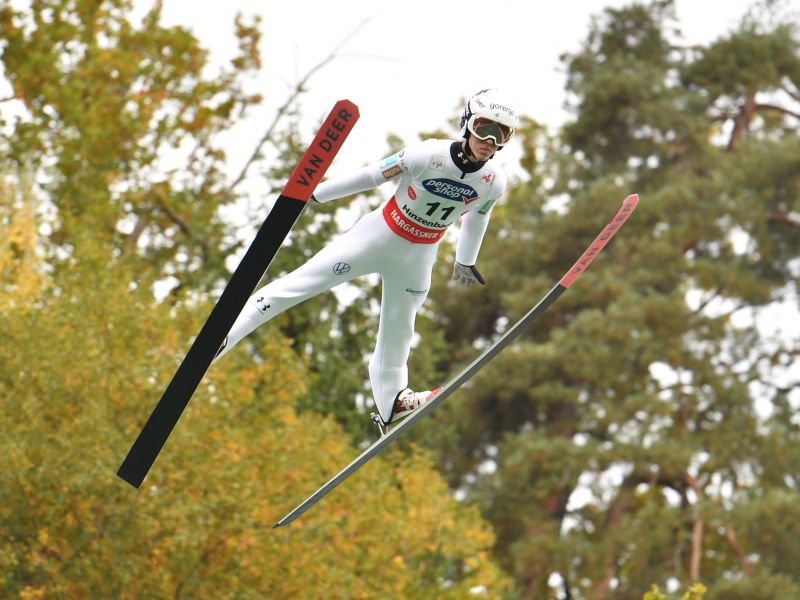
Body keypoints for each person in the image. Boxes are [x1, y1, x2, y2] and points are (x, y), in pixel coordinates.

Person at [214, 88, 516, 427]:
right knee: (299, 284)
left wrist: (466, 259)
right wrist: (314, 195)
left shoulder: (493, 181)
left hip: (420, 255)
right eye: (484, 128)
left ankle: (393, 403)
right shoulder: (426, 155)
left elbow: (478, 216)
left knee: (400, 330)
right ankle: (226, 333)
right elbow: (373, 175)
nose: (490, 140)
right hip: (377, 238)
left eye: (501, 134)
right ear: (467, 123)